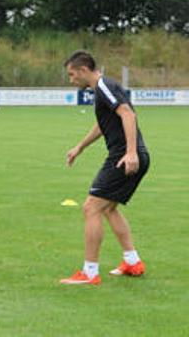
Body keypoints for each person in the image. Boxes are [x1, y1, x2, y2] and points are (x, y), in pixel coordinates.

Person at [61, 51, 149, 285]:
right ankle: (132, 261)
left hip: (124, 156)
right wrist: (80, 147)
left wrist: (130, 153)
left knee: (91, 207)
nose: (71, 80)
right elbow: (103, 124)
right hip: (129, 155)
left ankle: (89, 272)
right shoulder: (102, 90)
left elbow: (128, 115)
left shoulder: (103, 86)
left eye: (72, 75)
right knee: (108, 209)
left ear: (83, 70)